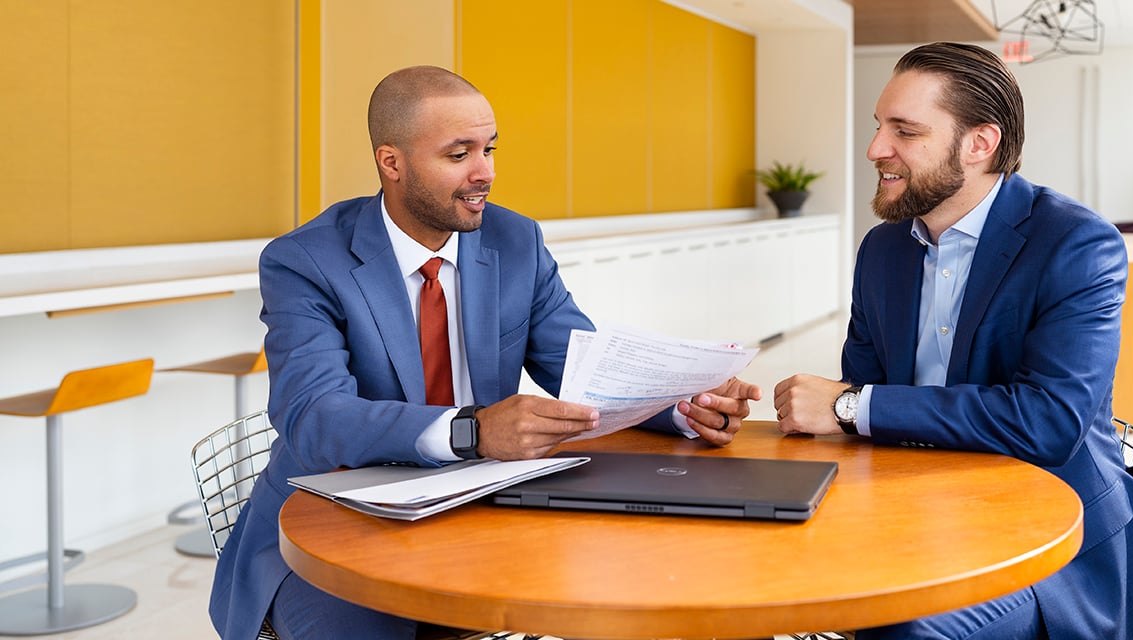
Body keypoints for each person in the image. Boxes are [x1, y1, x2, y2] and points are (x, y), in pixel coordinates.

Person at [209, 65, 762, 640]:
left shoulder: (514, 240)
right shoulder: (305, 260)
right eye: (459, 154)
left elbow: (581, 366)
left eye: (490, 149)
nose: (486, 173)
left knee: (642, 586)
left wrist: (681, 403)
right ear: (390, 162)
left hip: (484, 503)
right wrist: (472, 430)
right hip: (339, 516)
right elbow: (313, 414)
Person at [772, 42, 1133, 639]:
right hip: (908, 517)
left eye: (905, 131)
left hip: (1044, 543)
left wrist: (850, 406)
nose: (876, 149)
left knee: (900, 628)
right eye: (879, 126)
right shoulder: (882, 250)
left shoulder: (1077, 245)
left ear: (980, 144)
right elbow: (861, 408)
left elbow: (1048, 422)